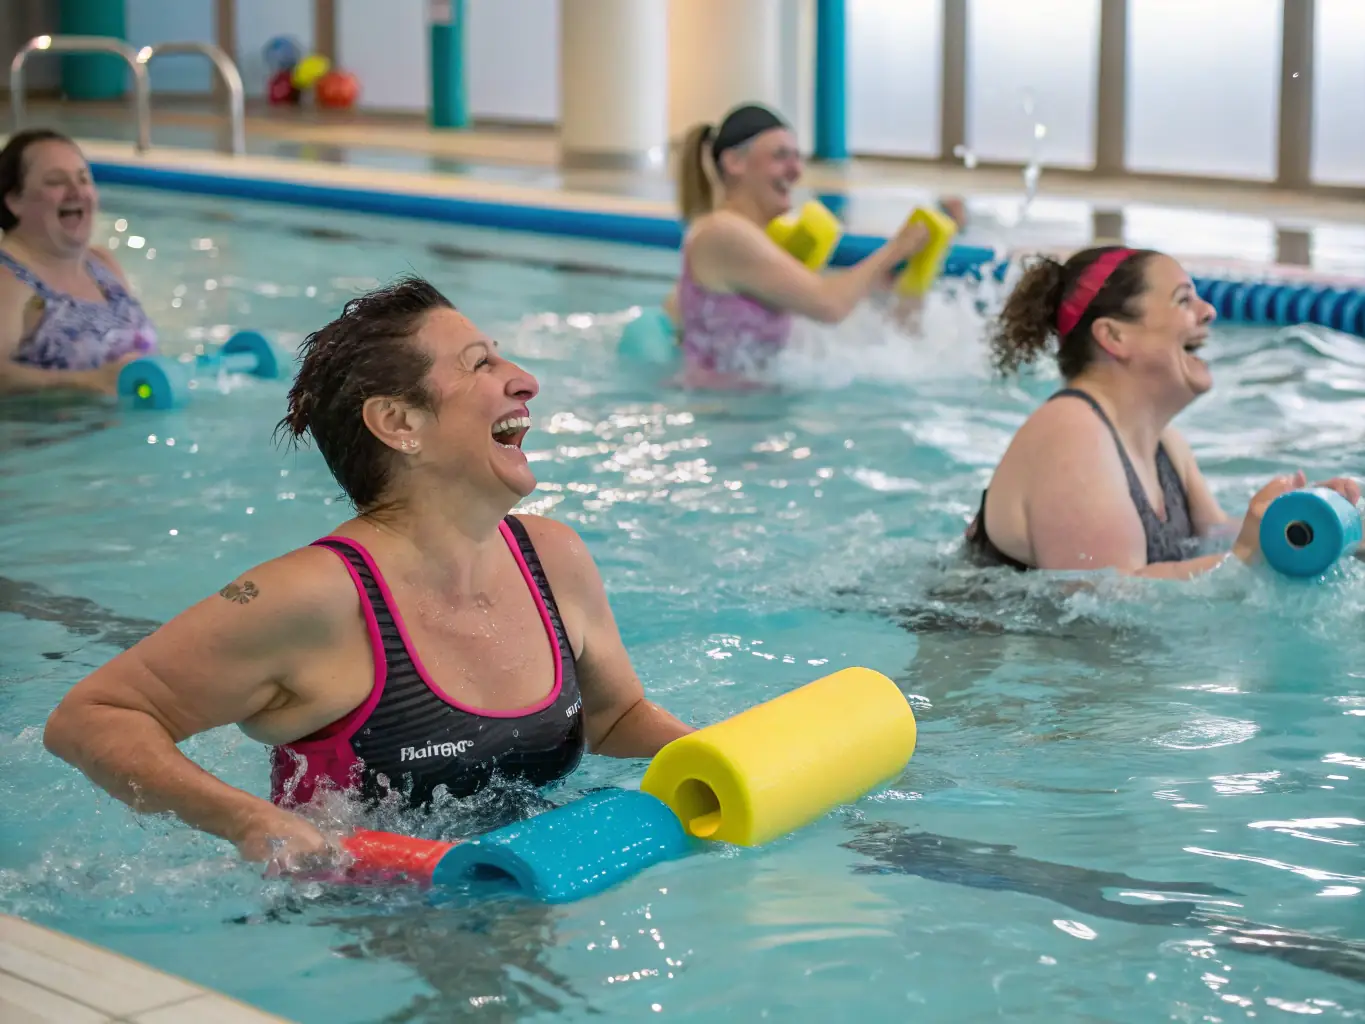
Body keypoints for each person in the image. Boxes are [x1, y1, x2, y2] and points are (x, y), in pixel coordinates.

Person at [43, 276, 693, 868]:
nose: (523, 380)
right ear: (398, 422)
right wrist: (250, 821)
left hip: (537, 883)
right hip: (365, 931)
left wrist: (724, 754)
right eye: (480, 364)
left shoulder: (553, 558)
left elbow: (612, 718)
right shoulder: (313, 599)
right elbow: (92, 715)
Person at [965, 245, 1360, 577]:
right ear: (1115, 336)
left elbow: (1213, 536)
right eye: (1183, 300)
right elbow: (1104, 603)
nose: (1208, 311)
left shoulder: (1163, 442)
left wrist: (1304, 525)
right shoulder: (1071, 432)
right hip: (979, 650)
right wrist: (1247, 560)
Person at [665, 103, 951, 385]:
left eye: (797, 157)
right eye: (780, 156)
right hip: (722, 416)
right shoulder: (723, 233)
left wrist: (897, 283)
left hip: (744, 412)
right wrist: (897, 248)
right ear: (734, 162)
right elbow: (830, 305)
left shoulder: (741, 239)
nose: (796, 171)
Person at [0, 128, 157, 396]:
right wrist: (86, 382)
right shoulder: (8, 278)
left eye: (84, 179)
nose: (76, 192)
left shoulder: (103, 265)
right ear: (15, 200)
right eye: (55, 181)